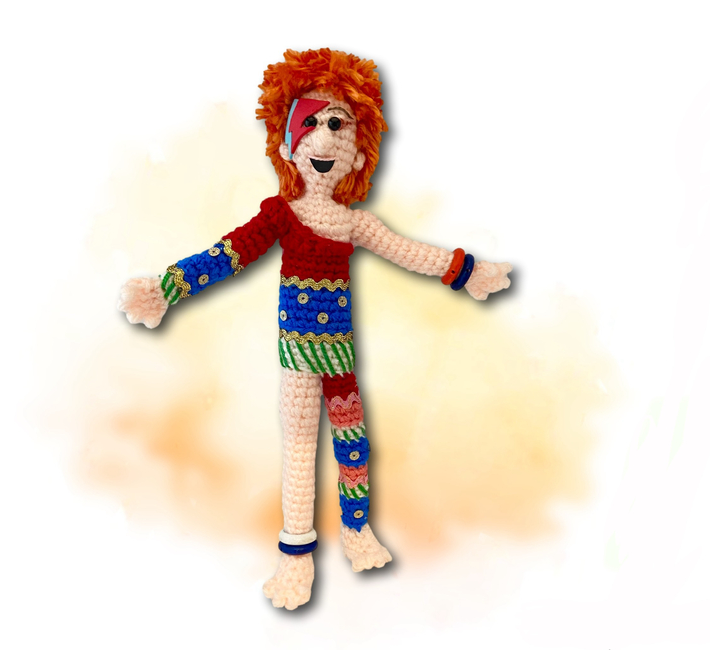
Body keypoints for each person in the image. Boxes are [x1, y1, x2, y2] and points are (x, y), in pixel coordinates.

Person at [118, 48, 512, 610]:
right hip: (300, 359)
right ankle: (295, 555)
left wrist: (466, 271)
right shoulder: (281, 215)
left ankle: (356, 530)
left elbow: (408, 252)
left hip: (340, 358)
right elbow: (228, 254)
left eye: (338, 125)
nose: (324, 138)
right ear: (286, 146)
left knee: (354, 445)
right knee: (301, 452)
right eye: (311, 124)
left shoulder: (353, 223)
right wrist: (169, 287)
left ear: (359, 153)